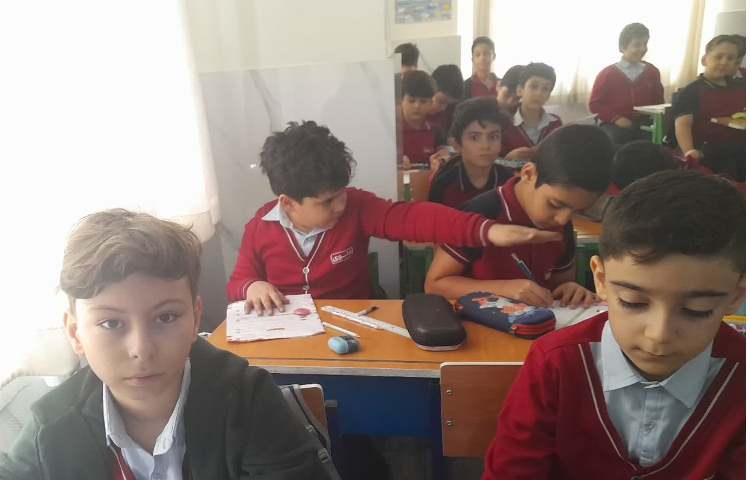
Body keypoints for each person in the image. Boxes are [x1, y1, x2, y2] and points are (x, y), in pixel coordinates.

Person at [0, 209, 338, 479]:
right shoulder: (51, 429)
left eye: (165, 317)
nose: (141, 349)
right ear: (76, 334)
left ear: (195, 319)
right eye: (111, 323)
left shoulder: (247, 400)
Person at [483, 170, 745, 479]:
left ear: (735, 296)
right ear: (601, 279)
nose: (658, 335)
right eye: (633, 302)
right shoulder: (557, 362)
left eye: (696, 310)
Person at [227, 121, 561, 313]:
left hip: (352, 326)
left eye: (342, 192)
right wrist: (253, 286)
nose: (340, 205)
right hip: (287, 336)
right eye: (327, 202)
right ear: (288, 203)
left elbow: (412, 218)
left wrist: (485, 230)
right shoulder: (259, 228)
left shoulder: (357, 207)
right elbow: (238, 282)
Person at [425, 124, 613, 308]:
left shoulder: (561, 222)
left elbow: (560, 284)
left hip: (542, 322)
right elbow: (435, 285)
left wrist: (570, 290)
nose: (563, 219)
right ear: (529, 174)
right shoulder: (480, 214)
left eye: (577, 211)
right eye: (555, 204)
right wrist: (504, 289)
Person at [674, 35, 745, 182]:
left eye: (730, 58)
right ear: (704, 60)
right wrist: (689, 151)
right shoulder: (692, 90)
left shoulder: (739, 88)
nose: (724, 62)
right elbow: (683, 124)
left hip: (739, 150)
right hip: (708, 153)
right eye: (719, 57)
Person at [428, 98, 514, 209]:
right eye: (474, 138)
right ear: (457, 144)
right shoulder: (443, 184)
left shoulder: (509, 182)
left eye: (494, 137)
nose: (485, 146)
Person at [589, 23, 664, 147]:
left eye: (645, 44)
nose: (642, 49)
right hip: (614, 123)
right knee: (615, 141)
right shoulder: (607, 74)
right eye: (637, 45)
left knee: (653, 144)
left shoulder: (652, 71)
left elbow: (659, 101)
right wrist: (616, 118)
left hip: (645, 123)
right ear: (622, 48)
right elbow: (595, 104)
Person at [501, 63, 562, 163]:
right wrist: (508, 158)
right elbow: (493, 162)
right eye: (533, 86)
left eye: (545, 89)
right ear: (520, 90)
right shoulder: (505, 124)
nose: (539, 93)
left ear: (548, 96)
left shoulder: (556, 123)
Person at [399, 70, 445, 167]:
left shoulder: (436, 131)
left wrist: (441, 160)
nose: (417, 106)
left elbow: (444, 156)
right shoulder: (391, 130)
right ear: (401, 101)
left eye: (423, 101)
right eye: (411, 101)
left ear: (431, 103)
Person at [426, 64, 464, 133]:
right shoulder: (413, 114)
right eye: (441, 101)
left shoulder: (451, 114)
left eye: (449, 105)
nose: (443, 108)